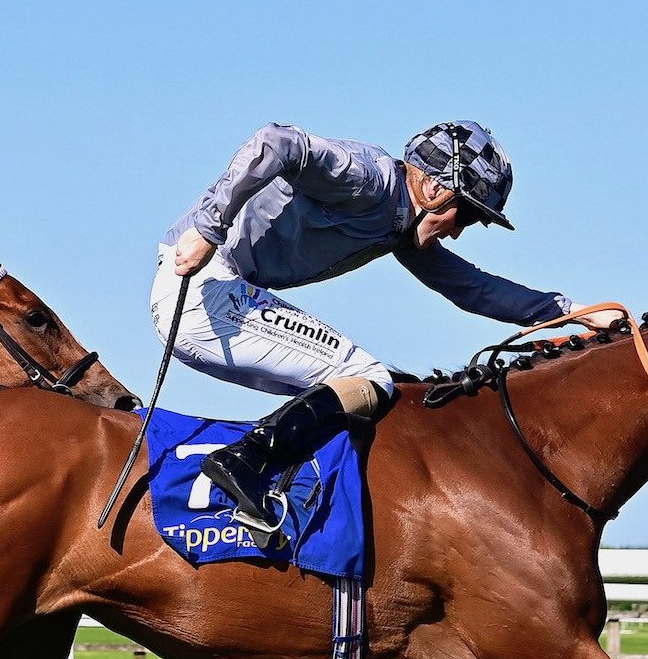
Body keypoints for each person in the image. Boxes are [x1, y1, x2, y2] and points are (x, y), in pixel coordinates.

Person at [153, 121, 623, 537]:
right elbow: (277, 141)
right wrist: (210, 227)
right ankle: (244, 463)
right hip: (203, 288)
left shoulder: (400, 226)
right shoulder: (371, 181)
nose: (458, 233)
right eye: (469, 215)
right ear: (436, 188)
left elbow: (473, 288)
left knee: (366, 393)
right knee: (368, 377)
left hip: (218, 299)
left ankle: (292, 496)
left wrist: (576, 313)